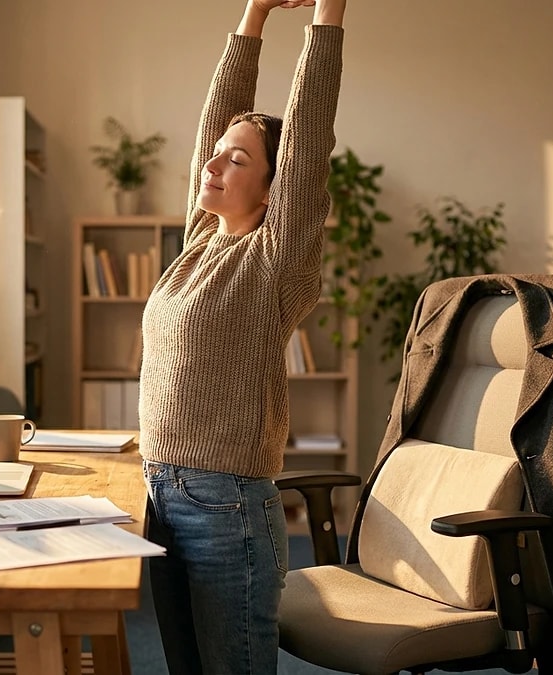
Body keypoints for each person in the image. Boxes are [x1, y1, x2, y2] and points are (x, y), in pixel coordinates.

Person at [138, 0, 346, 672]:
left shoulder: (275, 260)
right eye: (216, 157)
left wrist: (327, 13)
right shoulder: (198, 243)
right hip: (161, 490)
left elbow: (308, 138)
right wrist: (253, 13)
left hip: (224, 507)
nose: (213, 164)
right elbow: (216, 121)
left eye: (236, 160)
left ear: (272, 187)